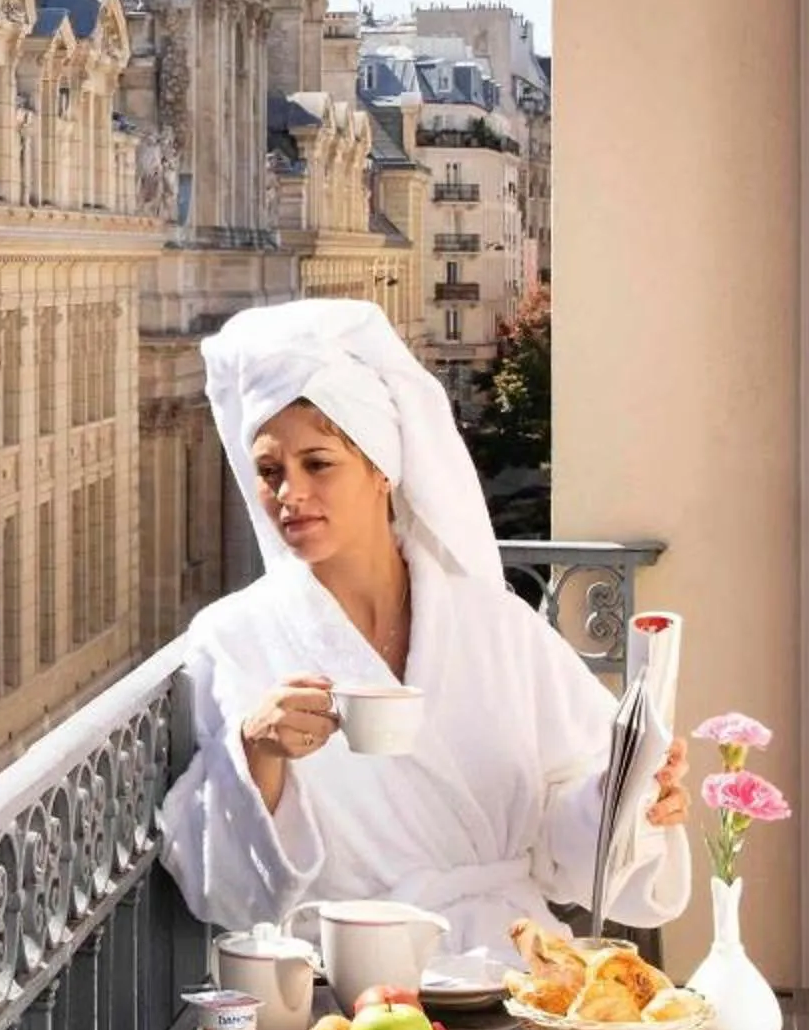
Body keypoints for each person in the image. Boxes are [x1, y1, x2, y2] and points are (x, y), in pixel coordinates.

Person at [158, 299, 690, 959]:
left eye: (317, 463)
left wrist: (634, 797)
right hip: (345, 985)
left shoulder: (495, 626)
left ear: (382, 467)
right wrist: (256, 752)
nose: (289, 493)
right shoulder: (234, 637)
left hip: (511, 966)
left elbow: (570, 830)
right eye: (270, 472)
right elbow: (225, 892)